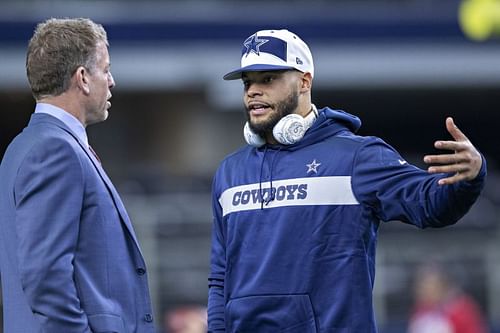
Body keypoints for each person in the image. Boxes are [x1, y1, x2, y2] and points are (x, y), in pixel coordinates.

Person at [207, 29, 486, 332]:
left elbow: (431, 205)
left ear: (304, 81)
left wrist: (469, 176)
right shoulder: (230, 172)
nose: (253, 91)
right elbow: (220, 276)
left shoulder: (357, 156)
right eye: (248, 82)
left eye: (268, 79)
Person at [0, 18, 155, 332]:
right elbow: (45, 277)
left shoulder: (23, 147)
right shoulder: (55, 151)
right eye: (106, 69)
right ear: (83, 78)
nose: (111, 81)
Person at [408, 263, 489, 333]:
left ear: (441, 286)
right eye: (421, 287)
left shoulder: (462, 310)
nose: (422, 291)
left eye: (428, 287)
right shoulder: (421, 309)